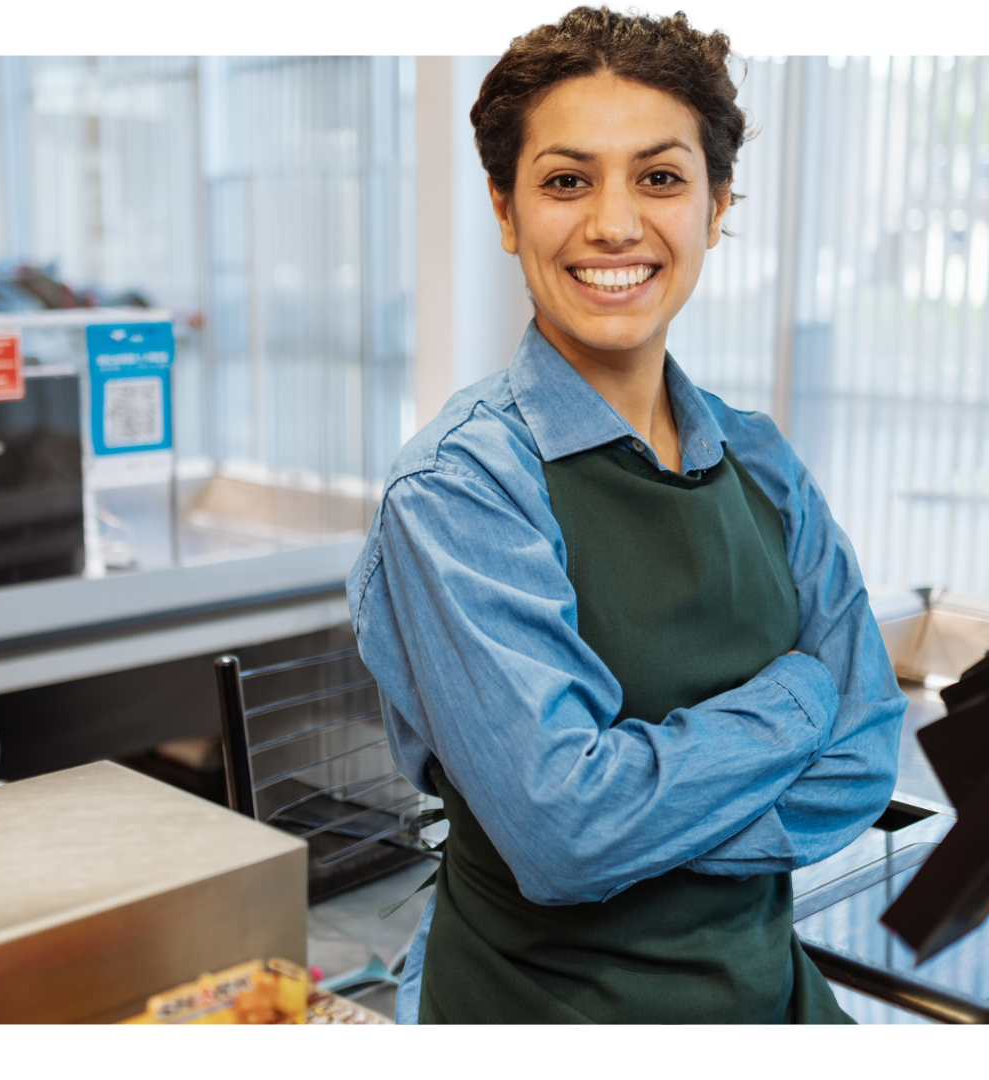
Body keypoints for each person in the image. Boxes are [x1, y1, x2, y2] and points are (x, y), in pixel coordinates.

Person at [348, 1, 906, 1025]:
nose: (613, 223)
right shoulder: (461, 489)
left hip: (764, 998)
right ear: (507, 212)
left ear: (717, 204)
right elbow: (562, 833)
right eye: (567, 181)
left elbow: (866, 754)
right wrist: (794, 702)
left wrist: (635, 828)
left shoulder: (763, 463)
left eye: (659, 177)